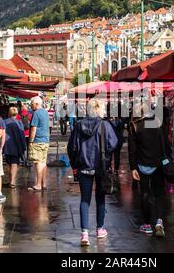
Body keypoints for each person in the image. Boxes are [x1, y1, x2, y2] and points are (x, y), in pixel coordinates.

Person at [67, 99, 118, 246]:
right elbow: (114, 143)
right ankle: (100, 229)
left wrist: (74, 164)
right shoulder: (105, 125)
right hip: (101, 166)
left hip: (83, 166)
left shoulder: (78, 125)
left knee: (85, 199)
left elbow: (72, 148)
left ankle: (84, 234)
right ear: (100, 109)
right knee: (100, 198)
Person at [128, 101, 171, 238]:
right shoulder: (157, 122)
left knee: (145, 194)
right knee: (159, 194)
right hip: (158, 164)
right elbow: (166, 144)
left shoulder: (135, 126)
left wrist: (133, 167)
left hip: (142, 165)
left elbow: (132, 150)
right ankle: (159, 221)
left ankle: (147, 225)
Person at [28, 96, 50, 191]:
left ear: (36, 104)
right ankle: (44, 183)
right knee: (43, 162)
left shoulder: (36, 113)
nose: (30, 106)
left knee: (38, 163)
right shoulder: (45, 112)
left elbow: (33, 128)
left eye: (31, 104)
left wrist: (30, 141)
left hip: (38, 140)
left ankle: (38, 184)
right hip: (45, 140)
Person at [4, 107, 27, 188]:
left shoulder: (4, 122)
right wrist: (24, 146)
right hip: (16, 145)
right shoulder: (19, 123)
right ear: (17, 114)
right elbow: (22, 135)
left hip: (6, 145)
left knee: (8, 163)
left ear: (9, 113)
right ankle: (12, 181)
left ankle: (10, 180)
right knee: (14, 163)